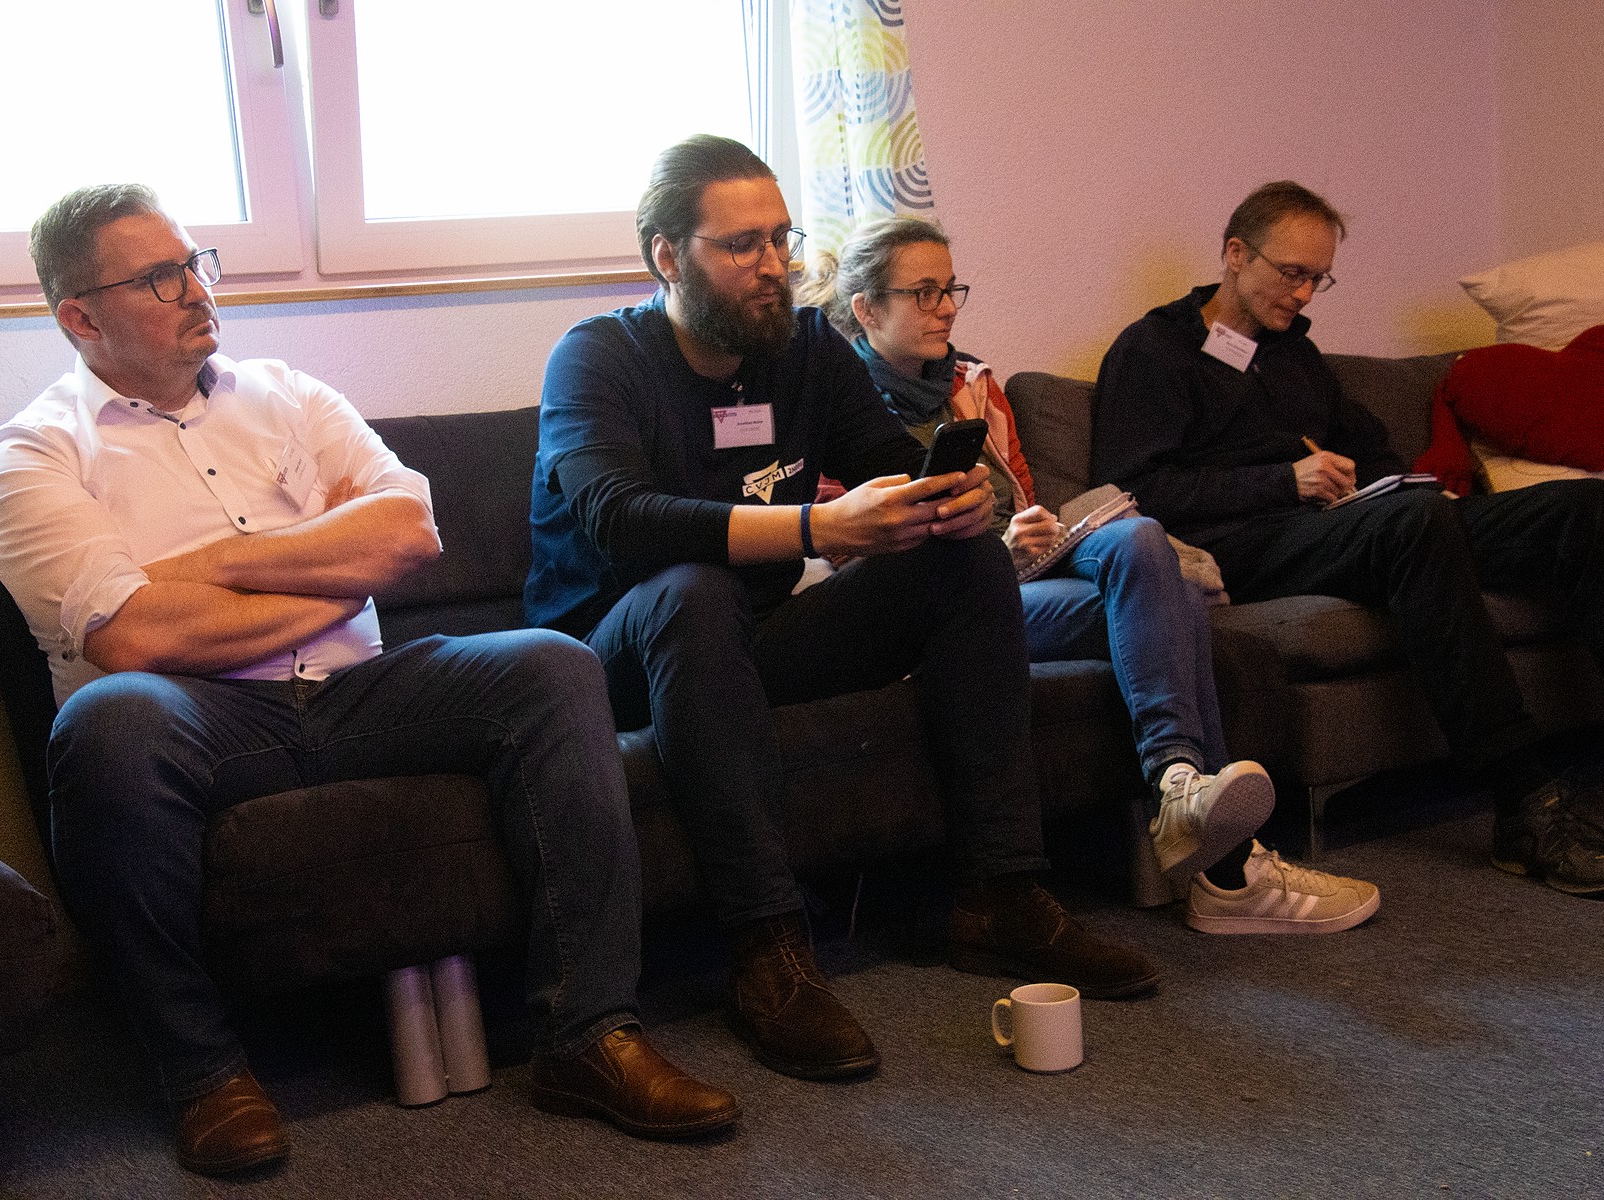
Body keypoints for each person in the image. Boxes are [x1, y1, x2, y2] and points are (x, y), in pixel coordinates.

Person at [0, 185, 739, 1175]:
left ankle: (588, 1033)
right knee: (110, 718)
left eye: (197, 261)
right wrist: (335, 576)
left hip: (361, 695)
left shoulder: (289, 394)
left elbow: (408, 531)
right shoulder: (33, 453)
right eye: (160, 277)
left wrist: (206, 568)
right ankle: (201, 1072)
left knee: (551, 665)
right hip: (198, 717)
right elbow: (132, 637)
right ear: (80, 317)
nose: (198, 289)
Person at [526, 136, 1161, 1086]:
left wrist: (950, 497)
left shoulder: (806, 346)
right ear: (667, 256)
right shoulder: (597, 358)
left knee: (961, 559)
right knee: (692, 590)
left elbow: (886, 461)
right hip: (608, 662)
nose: (773, 264)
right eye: (741, 245)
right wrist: (816, 525)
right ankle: (767, 950)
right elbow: (619, 517)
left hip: (742, 647)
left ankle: (1001, 891)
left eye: (781, 239)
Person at [807, 215, 1380, 934]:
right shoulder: (836, 406)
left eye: (951, 289)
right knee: (1172, 601)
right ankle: (1228, 871)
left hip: (1021, 576)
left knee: (1141, 542)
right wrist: (989, 546)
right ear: (866, 308)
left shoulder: (975, 385)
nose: (946, 308)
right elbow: (844, 556)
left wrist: (1035, 528)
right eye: (924, 293)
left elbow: (1019, 492)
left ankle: (1180, 786)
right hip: (934, 605)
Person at [1090, 180, 1604, 899]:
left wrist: (1396, 483)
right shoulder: (1153, 350)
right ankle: (1523, 801)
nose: (1304, 294)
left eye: (1318, 279)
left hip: (1349, 526)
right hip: (1243, 546)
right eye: (1291, 273)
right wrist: (1284, 481)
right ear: (1235, 254)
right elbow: (1135, 492)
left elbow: (1372, 446)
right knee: (1413, 524)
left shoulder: (1294, 354)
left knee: (1582, 509)